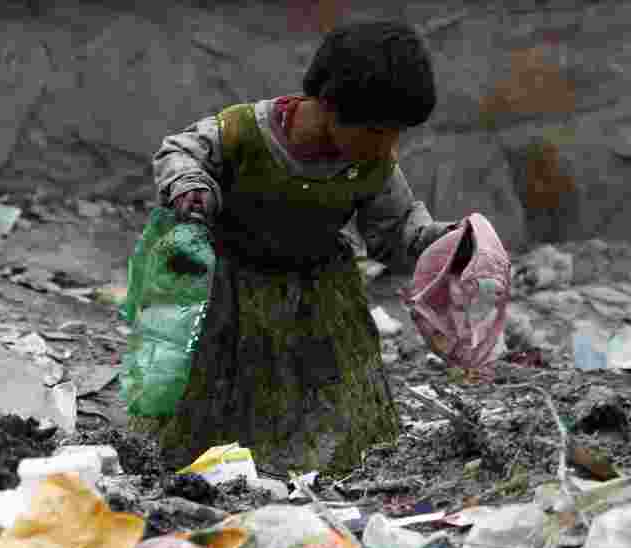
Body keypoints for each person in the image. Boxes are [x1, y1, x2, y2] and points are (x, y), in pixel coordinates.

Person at [148, 19, 472, 473]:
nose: (389, 145)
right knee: (221, 395)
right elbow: (179, 151)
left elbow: (396, 228)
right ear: (329, 105)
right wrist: (189, 185)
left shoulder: (374, 165)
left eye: (397, 133)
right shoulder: (241, 132)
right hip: (233, 285)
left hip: (317, 290)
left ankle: (308, 470)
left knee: (336, 404)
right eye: (378, 130)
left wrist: (441, 242)